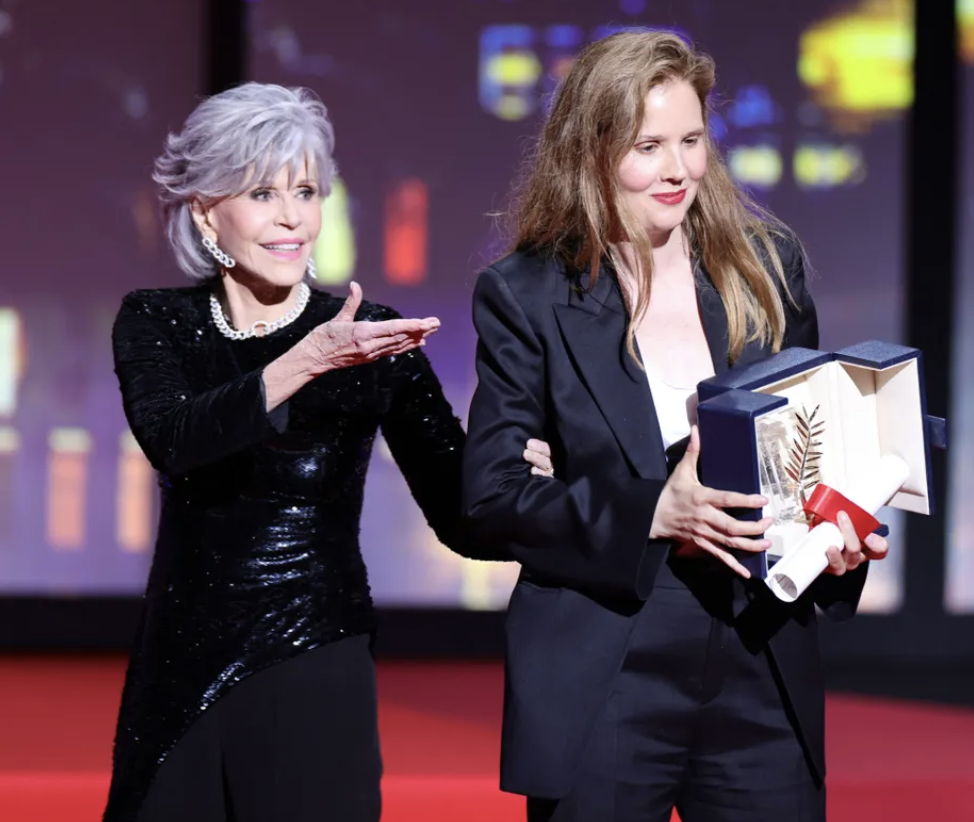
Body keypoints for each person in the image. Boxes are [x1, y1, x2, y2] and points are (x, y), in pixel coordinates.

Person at [462, 31, 890, 822]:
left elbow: (811, 446)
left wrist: (839, 532)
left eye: (691, 140)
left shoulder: (766, 263)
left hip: (760, 651)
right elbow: (490, 495)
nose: (678, 169)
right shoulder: (524, 293)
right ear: (590, 152)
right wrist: (652, 511)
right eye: (648, 146)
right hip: (609, 666)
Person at [104, 82, 551, 822]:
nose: (292, 217)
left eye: (306, 190)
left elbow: (461, 516)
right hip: (179, 670)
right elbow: (176, 442)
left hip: (314, 658)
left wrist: (525, 480)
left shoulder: (372, 336)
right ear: (207, 210)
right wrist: (305, 361)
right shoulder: (157, 321)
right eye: (262, 192)